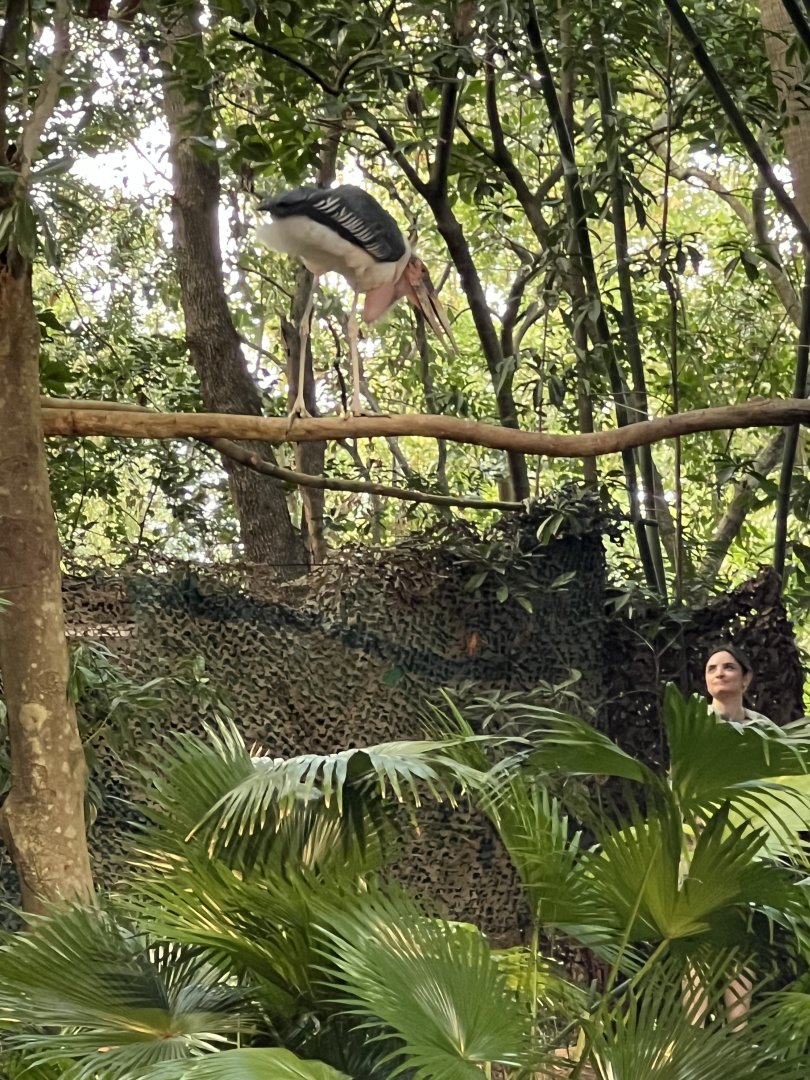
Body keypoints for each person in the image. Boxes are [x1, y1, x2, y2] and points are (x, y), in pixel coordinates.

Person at [684, 643, 767, 1028]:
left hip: (749, 843)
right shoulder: (694, 725)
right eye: (712, 667)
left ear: (745, 678)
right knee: (699, 939)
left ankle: (740, 1032)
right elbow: (681, 786)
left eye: (729, 667)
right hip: (701, 843)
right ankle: (693, 1034)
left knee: (741, 940)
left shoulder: (765, 731)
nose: (719, 673)